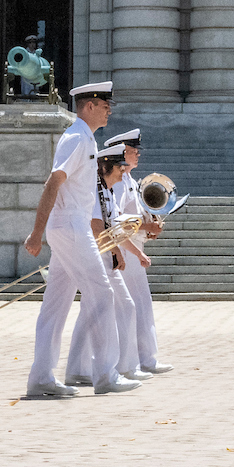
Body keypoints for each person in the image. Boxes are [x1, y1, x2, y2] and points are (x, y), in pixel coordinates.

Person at [23, 82, 136, 399]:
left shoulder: (83, 137)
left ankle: (41, 377)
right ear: (89, 106)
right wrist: (36, 232)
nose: (109, 110)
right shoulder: (76, 138)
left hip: (71, 225)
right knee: (102, 293)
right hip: (70, 225)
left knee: (56, 304)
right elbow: (53, 183)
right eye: (105, 105)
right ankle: (106, 375)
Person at [66, 144, 145, 384]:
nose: (123, 172)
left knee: (102, 310)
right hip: (96, 255)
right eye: (119, 168)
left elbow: (118, 231)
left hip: (105, 256)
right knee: (107, 308)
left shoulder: (109, 192)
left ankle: (85, 368)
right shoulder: (95, 190)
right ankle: (109, 369)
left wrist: (135, 254)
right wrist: (116, 252)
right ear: (105, 167)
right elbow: (96, 227)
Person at [107, 129, 170, 375]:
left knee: (140, 304)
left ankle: (145, 358)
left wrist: (149, 230)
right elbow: (118, 222)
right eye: (133, 151)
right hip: (125, 249)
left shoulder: (132, 182)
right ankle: (135, 360)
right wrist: (145, 227)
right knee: (132, 306)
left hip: (134, 246)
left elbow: (133, 219)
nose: (138, 155)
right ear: (122, 153)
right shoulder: (120, 183)